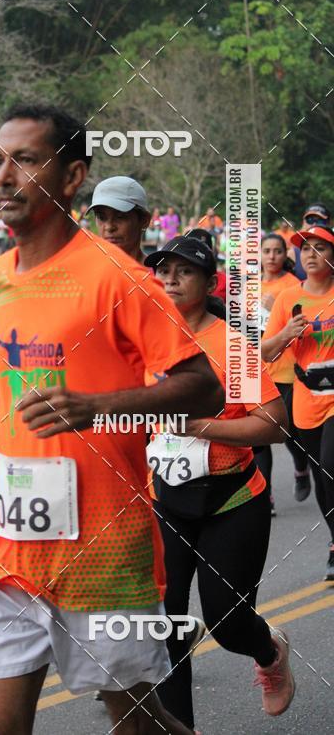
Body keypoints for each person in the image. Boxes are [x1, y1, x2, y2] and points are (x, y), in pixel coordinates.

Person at [0, 103, 224, 735]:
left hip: (102, 544)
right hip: (6, 541)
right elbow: (21, 389)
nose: (5, 177)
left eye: (27, 160)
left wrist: (96, 408)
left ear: (72, 178)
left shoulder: (118, 278)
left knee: (134, 723)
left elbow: (204, 388)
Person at [143, 236, 294, 730]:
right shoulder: (146, 339)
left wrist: (198, 425)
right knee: (167, 626)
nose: (169, 278)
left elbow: (273, 424)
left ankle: (269, 652)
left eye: (183, 271)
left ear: (210, 284)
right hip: (166, 499)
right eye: (163, 269)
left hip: (232, 500)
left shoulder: (230, 344)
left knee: (228, 623)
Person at [262, 224, 334, 580]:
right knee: (323, 480)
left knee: (331, 464)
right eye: (305, 248)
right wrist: (287, 333)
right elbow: (263, 351)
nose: (310, 253)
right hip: (306, 401)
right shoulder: (289, 299)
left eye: (320, 247)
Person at [259, 234, 308, 510]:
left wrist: (271, 310)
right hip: (257, 366)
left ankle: (301, 465)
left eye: (278, 251)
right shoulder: (248, 286)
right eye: (267, 250)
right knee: (261, 435)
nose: (272, 256)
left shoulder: (292, 286)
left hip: (287, 369)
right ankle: (265, 496)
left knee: (290, 431)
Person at [86, 176, 151, 263]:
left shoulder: (159, 274)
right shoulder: (84, 271)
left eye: (120, 217)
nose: (109, 227)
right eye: (102, 217)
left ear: (144, 220)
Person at [289, 204, 331, 281]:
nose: (314, 224)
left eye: (320, 220)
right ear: (303, 223)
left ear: (329, 223)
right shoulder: (291, 254)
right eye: (310, 220)